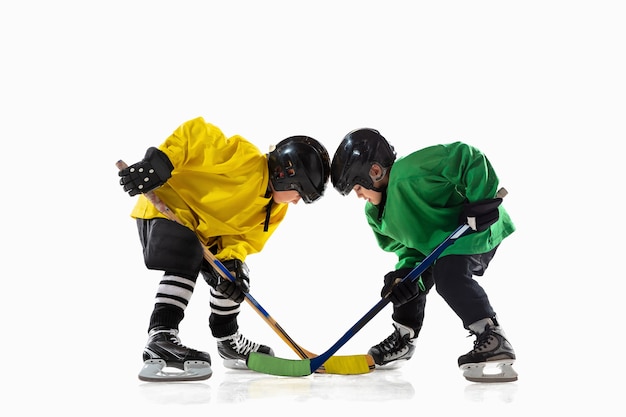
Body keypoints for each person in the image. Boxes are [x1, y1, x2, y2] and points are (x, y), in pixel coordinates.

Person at [118, 116, 331, 381]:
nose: (297, 202)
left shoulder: (275, 211)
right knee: (185, 252)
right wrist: (160, 163)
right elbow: (195, 135)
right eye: (299, 194)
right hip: (165, 210)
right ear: (288, 176)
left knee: (234, 277)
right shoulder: (244, 159)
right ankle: (161, 336)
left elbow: (240, 240)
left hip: (200, 236)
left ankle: (228, 341)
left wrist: (232, 265)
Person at [330, 128, 518, 382]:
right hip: (438, 246)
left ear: (374, 171)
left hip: (472, 229)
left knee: (449, 277)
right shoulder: (375, 216)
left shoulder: (411, 171)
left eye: (357, 188)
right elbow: (408, 250)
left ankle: (492, 336)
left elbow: (466, 156)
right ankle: (403, 340)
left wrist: (481, 199)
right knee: (404, 282)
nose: (359, 195)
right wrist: (405, 277)